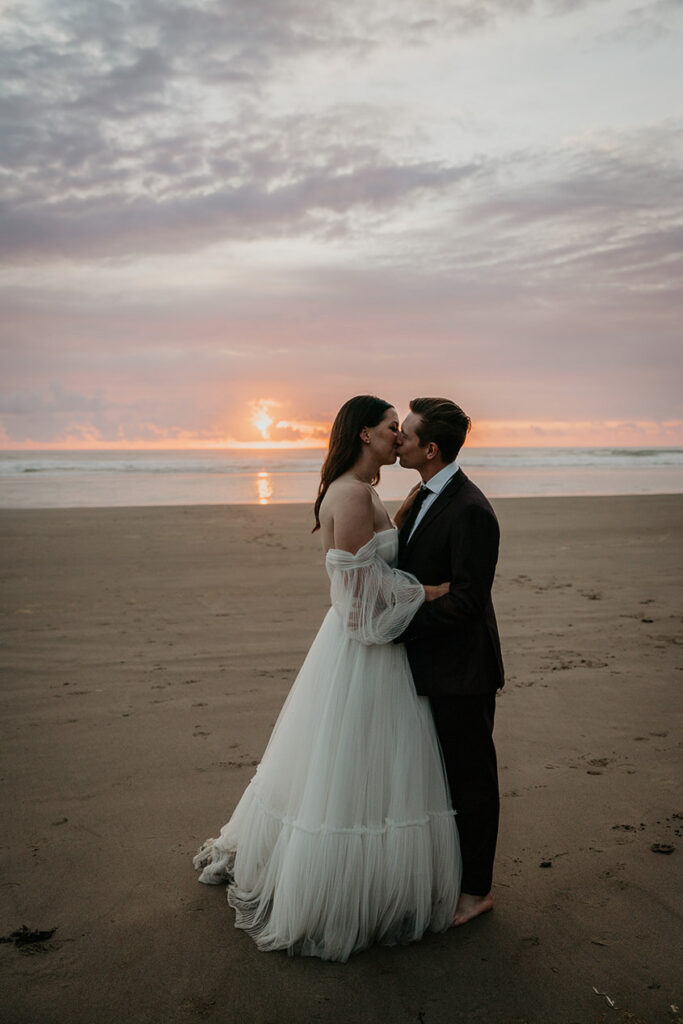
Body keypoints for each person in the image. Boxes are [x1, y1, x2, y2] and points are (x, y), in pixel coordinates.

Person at [193, 396, 461, 962]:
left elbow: (369, 574)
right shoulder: (352, 494)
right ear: (365, 434)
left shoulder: (363, 491)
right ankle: (343, 896)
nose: (398, 437)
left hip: (364, 646)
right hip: (364, 651)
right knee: (353, 769)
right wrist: (427, 593)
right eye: (391, 428)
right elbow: (361, 601)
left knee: (359, 768)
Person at [395, 397, 504, 927]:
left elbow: (465, 602)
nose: (398, 440)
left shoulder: (471, 511)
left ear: (430, 448)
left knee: (471, 779)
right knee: (440, 778)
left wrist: (398, 625)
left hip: (463, 670)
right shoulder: (424, 494)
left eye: (407, 434)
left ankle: (477, 891)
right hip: (432, 665)